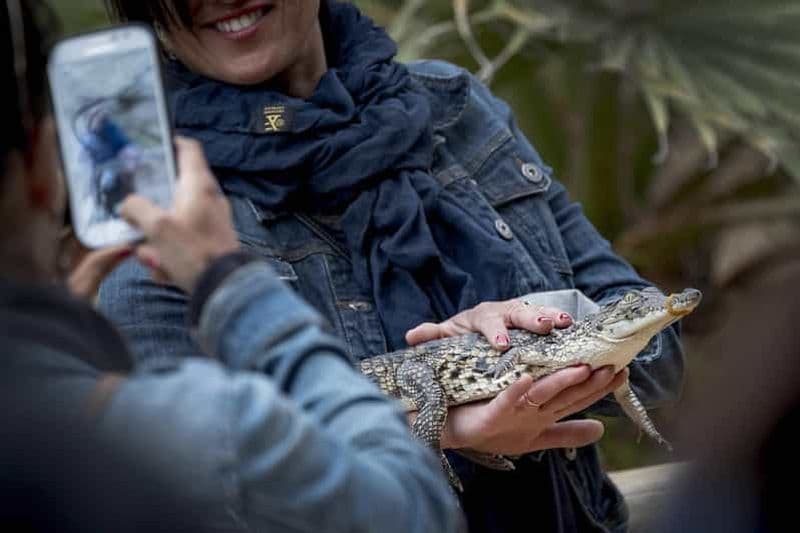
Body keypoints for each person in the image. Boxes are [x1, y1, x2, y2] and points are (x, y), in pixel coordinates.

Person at [101, 1, 686, 531]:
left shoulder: (454, 106)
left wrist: (541, 326)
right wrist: (435, 434)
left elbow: (657, 353)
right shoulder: (156, 212)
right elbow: (187, 497)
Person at [0, 1, 463, 531]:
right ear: (42, 160)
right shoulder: (155, 281)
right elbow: (405, 511)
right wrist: (233, 284)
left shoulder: (453, 103)